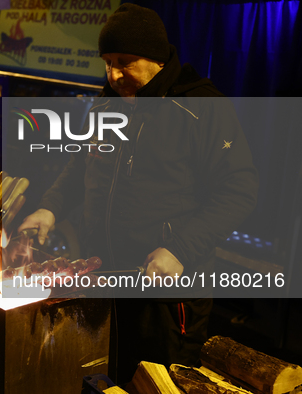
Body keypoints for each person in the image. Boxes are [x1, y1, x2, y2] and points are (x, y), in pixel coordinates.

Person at [18, 3, 259, 385]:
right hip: (104, 279)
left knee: (160, 384)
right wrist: (50, 207)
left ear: (156, 59)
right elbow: (83, 161)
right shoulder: (108, 101)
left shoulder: (200, 108)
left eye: (124, 62)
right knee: (108, 380)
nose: (113, 74)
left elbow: (240, 191)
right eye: (107, 61)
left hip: (163, 297)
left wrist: (179, 248)